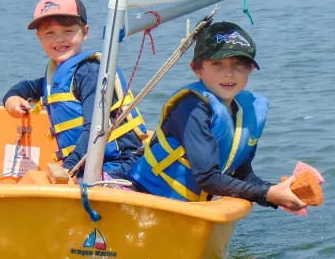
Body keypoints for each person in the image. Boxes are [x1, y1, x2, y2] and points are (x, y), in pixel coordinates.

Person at [129, 21, 306, 211]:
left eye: (239, 64)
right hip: (149, 197)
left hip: (191, 206)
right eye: (217, 64)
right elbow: (208, 179)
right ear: (197, 69)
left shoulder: (245, 112)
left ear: (251, 69)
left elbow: (241, 175)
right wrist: (266, 194)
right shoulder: (193, 108)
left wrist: (278, 193)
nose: (228, 73)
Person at [3, 0, 148, 179]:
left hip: (120, 165)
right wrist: (12, 97)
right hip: (87, 163)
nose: (59, 40)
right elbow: (30, 88)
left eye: (68, 31)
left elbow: (96, 129)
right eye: (49, 33)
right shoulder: (58, 74)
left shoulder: (90, 73)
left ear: (85, 32)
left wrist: (69, 168)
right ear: (39, 37)